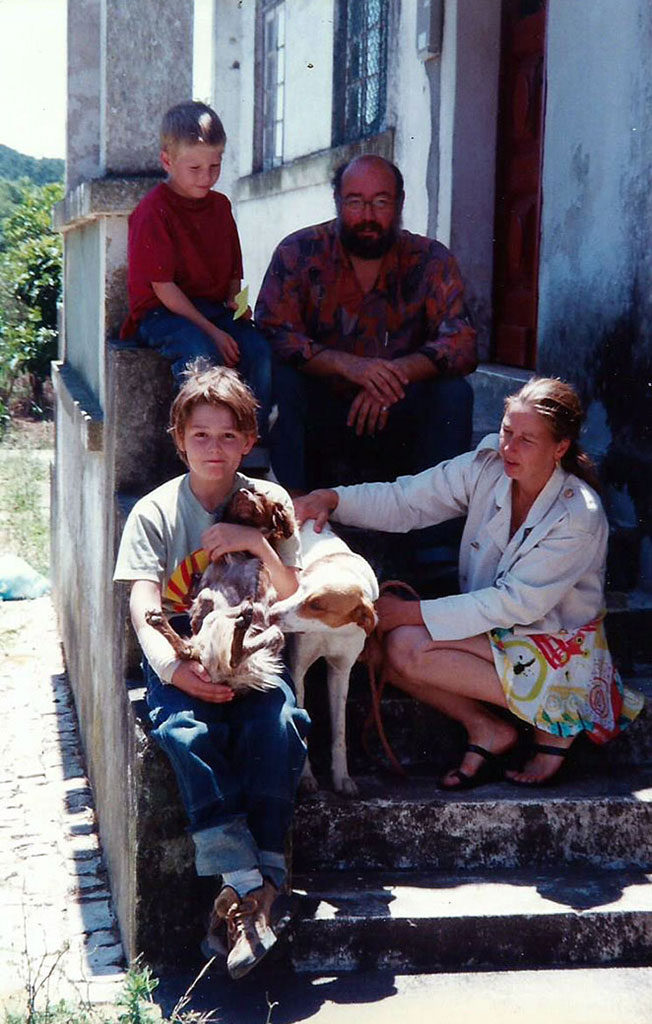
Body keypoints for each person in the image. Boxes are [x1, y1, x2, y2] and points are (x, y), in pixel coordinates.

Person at [295, 377, 644, 788]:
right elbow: (408, 500)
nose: (508, 448)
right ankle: (486, 728)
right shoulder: (488, 467)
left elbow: (514, 605)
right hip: (498, 633)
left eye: (526, 440)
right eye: (506, 432)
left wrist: (409, 612)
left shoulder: (578, 515)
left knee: (402, 641)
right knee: (378, 647)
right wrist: (333, 499)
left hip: (556, 647)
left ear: (561, 447)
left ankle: (557, 719)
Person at [113, 362, 309, 979]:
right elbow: (144, 603)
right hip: (186, 656)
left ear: (249, 441)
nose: (215, 448)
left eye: (229, 436)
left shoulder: (268, 501)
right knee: (186, 735)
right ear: (179, 439)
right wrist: (174, 670)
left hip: (252, 658)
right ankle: (255, 886)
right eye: (201, 435)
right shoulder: (155, 511)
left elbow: (290, 590)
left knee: (280, 725)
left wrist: (255, 545)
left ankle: (244, 901)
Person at [255, 154, 478, 494]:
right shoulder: (298, 252)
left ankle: (437, 540)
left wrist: (393, 377)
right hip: (323, 412)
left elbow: (461, 342)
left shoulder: (431, 259)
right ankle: (294, 516)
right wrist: (348, 366)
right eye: (355, 202)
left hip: (398, 414)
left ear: (400, 203)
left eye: (381, 202)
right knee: (283, 380)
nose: (368, 216)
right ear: (337, 201)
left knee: (454, 394)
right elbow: (274, 332)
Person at [120, 101, 271, 464]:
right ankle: (191, 452)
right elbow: (163, 288)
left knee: (261, 352)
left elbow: (235, 276)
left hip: (214, 309)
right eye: (195, 167)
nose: (206, 176)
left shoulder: (220, 207)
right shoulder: (153, 210)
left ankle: (249, 445)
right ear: (168, 162)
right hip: (164, 313)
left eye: (215, 166)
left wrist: (239, 309)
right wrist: (215, 332)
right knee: (201, 355)